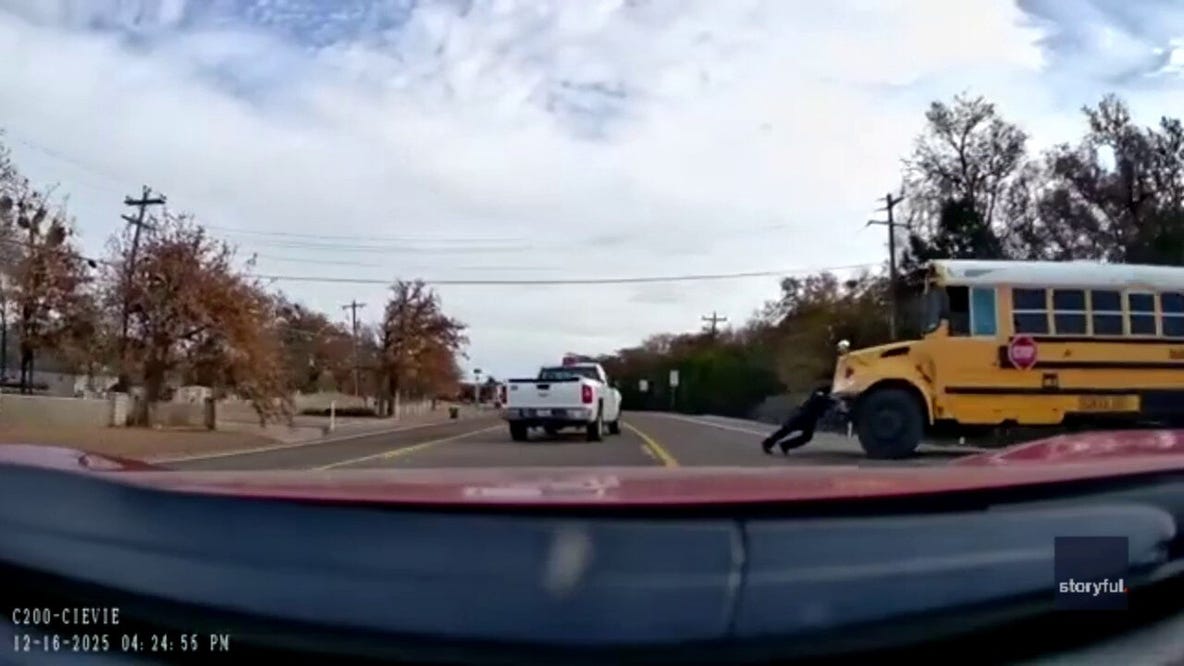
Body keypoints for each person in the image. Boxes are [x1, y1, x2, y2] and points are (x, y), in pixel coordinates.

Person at [761, 384, 834, 455]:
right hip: (804, 417)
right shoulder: (821, 396)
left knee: (795, 433)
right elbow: (823, 400)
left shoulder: (819, 395)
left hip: (807, 417)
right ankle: (771, 444)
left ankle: (782, 445)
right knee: (787, 431)